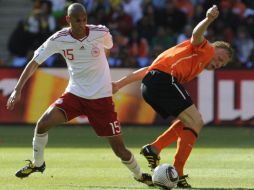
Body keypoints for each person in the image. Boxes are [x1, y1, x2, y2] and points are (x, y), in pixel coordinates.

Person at [6, 3, 153, 186]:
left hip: (101, 98)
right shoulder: (59, 39)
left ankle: (140, 176)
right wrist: (18, 89)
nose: (82, 24)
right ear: (68, 20)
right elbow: (34, 62)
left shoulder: (101, 32)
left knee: (119, 149)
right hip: (75, 94)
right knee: (42, 124)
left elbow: (108, 46)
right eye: (78, 20)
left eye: (84, 19)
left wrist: (101, 66)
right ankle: (38, 164)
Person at [112, 5, 233, 188]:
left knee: (189, 121)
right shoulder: (205, 49)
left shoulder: (190, 60)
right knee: (197, 121)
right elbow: (196, 34)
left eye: (223, 65)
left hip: (151, 85)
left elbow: (148, 70)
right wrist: (208, 19)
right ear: (214, 49)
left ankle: (154, 149)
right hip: (163, 80)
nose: (219, 64)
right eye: (221, 58)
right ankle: (177, 168)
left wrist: (120, 84)